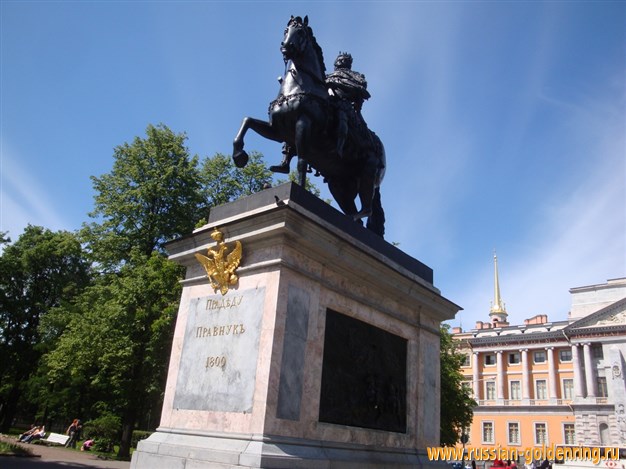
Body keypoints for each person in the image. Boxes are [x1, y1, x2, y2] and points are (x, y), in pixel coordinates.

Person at [326, 52, 372, 158]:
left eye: (344, 60)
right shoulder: (328, 76)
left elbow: (360, 87)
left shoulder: (356, 75)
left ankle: (339, 148)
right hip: (328, 100)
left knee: (342, 117)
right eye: (339, 59)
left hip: (344, 103)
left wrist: (339, 84)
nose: (341, 61)